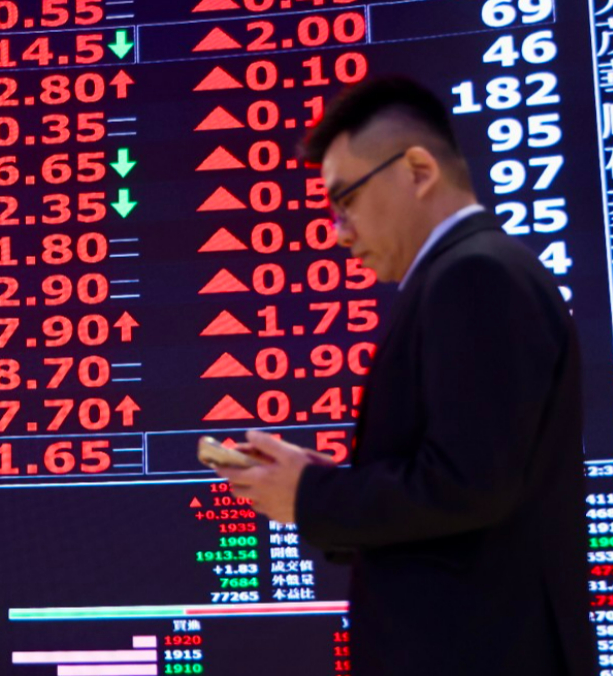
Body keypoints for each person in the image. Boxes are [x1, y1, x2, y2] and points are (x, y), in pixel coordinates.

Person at [212, 76, 593, 676]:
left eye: (346, 201)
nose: (339, 232)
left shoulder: (474, 276)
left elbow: (467, 485)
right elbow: (460, 482)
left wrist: (312, 497)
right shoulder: (466, 273)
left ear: (418, 170)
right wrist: (321, 484)